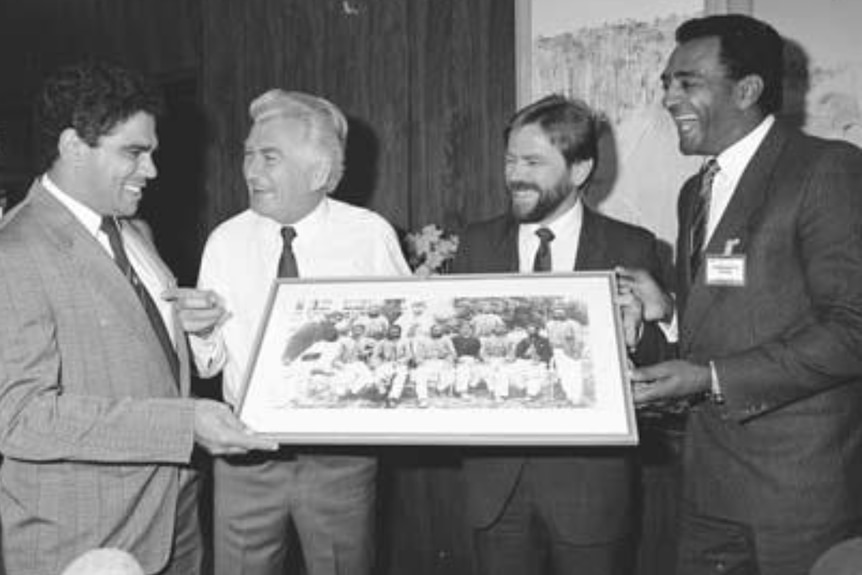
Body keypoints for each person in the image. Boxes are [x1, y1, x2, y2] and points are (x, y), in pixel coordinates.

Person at [0, 61, 275, 575]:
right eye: (134, 152)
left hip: (175, 517)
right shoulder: (14, 253)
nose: (151, 170)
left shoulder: (134, 232)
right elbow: (19, 419)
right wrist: (185, 423)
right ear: (72, 147)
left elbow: (133, 341)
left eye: (151, 152)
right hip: (87, 539)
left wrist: (193, 324)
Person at [620, 14, 862, 575]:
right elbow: (739, 308)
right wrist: (669, 313)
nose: (669, 98)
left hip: (799, 495)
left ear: (747, 90)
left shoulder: (826, 169)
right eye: (666, 84)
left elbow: (853, 327)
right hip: (708, 486)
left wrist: (711, 378)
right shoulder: (694, 190)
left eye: (688, 82)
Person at [187, 89, 410, 575]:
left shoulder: (369, 236)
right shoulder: (225, 241)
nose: (250, 170)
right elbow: (209, 363)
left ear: (319, 172)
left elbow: (402, 345)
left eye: (269, 157)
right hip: (244, 456)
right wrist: (202, 333)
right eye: (247, 154)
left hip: (341, 459)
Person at [450, 94, 666, 575]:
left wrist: (647, 325)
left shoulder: (630, 246)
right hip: (495, 490)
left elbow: (657, 361)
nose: (514, 175)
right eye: (509, 160)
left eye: (532, 162)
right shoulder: (477, 243)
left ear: (580, 169)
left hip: (590, 492)